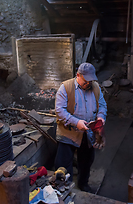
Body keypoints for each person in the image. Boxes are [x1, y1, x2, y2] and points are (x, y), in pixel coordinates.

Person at [54, 62, 107, 193]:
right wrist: (76, 122)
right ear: (78, 75)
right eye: (86, 80)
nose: (88, 83)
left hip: (87, 134)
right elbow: (59, 110)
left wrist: (101, 117)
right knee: (64, 164)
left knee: (86, 162)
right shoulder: (65, 87)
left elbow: (102, 105)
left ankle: (83, 184)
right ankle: (66, 189)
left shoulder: (95, 88)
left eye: (91, 80)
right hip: (68, 133)